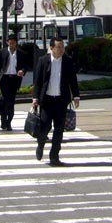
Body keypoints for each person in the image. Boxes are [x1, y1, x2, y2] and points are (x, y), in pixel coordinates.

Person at [31, 37, 80, 166]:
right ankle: (40, 145)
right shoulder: (43, 61)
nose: (61, 49)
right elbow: (37, 81)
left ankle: (54, 156)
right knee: (45, 127)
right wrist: (35, 98)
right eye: (59, 47)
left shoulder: (67, 61)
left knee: (59, 129)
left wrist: (76, 96)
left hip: (61, 100)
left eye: (63, 47)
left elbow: (73, 80)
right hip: (46, 101)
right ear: (51, 48)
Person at [0, 33, 31, 131]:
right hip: (4, 79)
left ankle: (9, 122)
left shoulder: (21, 53)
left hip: (15, 79)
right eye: (10, 43)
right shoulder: (2, 52)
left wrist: (22, 71)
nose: (12, 45)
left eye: (13, 43)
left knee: (11, 102)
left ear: (16, 43)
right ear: (7, 43)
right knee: (5, 101)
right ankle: (3, 121)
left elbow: (26, 66)